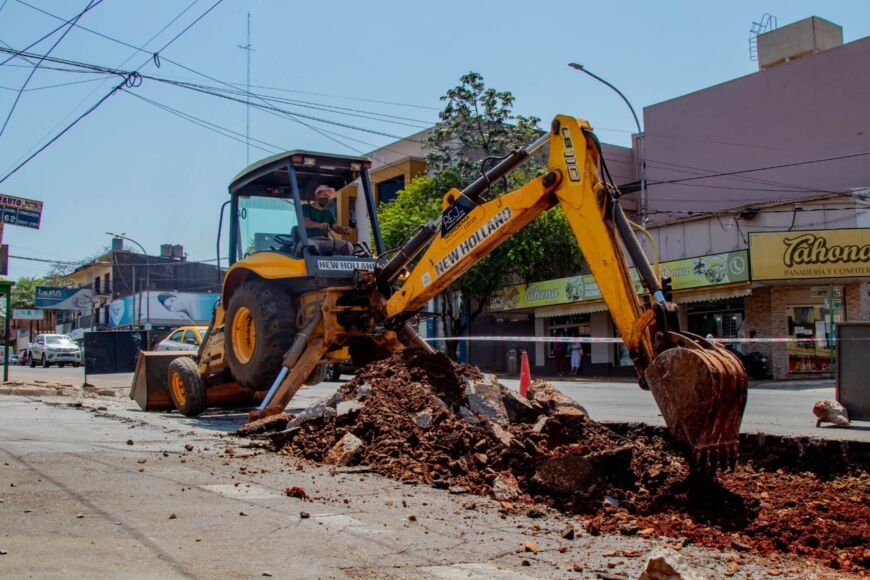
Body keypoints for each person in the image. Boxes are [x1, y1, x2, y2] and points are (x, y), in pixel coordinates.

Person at [302, 185, 353, 255]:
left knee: (348, 246)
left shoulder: (328, 212)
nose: (327, 199)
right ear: (317, 195)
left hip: (325, 241)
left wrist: (343, 230)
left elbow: (336, 227)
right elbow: (304, 222)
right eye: (325, 195)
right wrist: (319, 225)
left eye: (328, 197)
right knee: (312, 247)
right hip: (309, 240)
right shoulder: (305, 208)